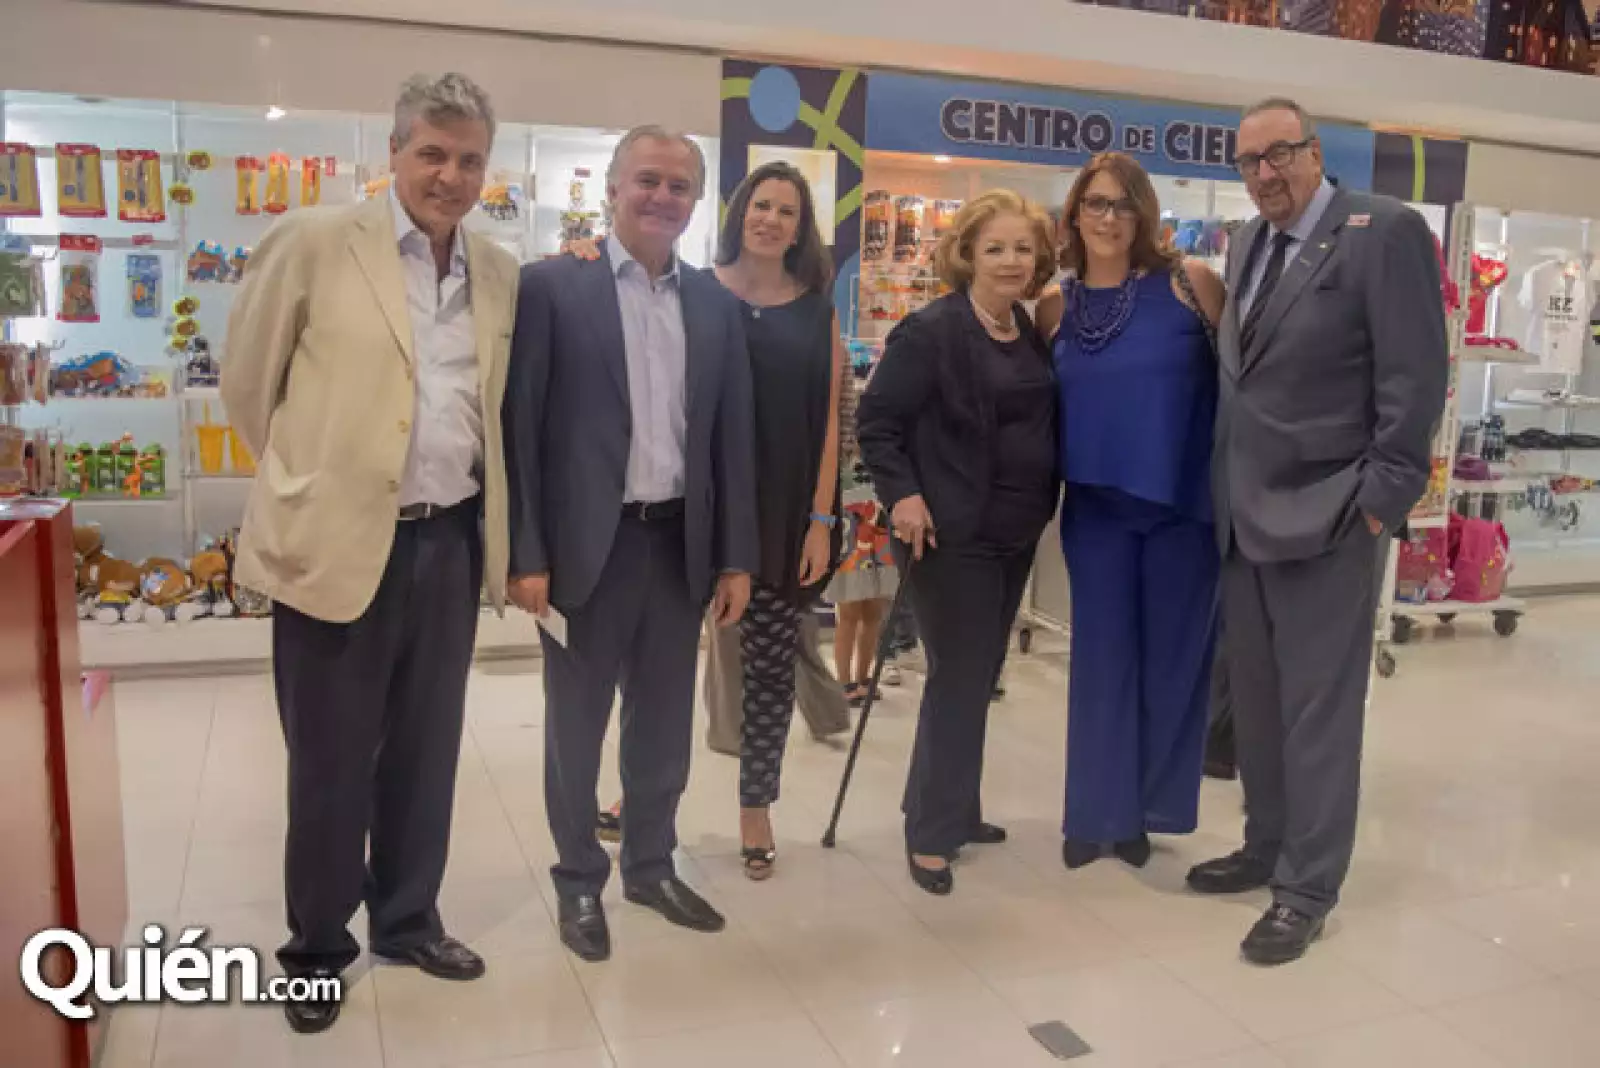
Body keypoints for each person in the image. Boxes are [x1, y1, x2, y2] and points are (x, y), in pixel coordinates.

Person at [222, 73, 516, 1034]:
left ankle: (407, 918)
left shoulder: (497, 269)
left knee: (426, 755)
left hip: (448, 543)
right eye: (432, 151)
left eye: (469, 158)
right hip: (338, 548)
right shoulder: (315, 241)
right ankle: (315, 948)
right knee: (330, 763)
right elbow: (248, 386)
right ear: (393, 151)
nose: (450, 174)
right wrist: (314, 484)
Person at [1187, 98, 1448, 965]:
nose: (1264, 174)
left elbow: (1415, 384)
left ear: (1314, 152)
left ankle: (1306, 888)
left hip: (1332, 517)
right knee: (1257, 709)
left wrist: (1378, 503)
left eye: (1280, 155)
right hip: (1245, 520)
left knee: (1319, 714)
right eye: (1248, 162)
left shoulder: (1386, 232)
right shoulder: (1248, 244)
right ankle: (1266, 847)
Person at [502, 125, 757, 964]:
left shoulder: (716, 304)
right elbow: (523, 428)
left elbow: (730, 439)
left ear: (695, 201)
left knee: (663, 726)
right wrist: (526, 552)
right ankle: (580, 878)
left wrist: (736, 556)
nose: (662, 197)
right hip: (587, 548)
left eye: (680, 185)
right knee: (576, 725)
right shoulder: (551, 288)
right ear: (612, 189)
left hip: (676, 544)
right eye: (647, 180)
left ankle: (650, 863)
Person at [858, 190, 1061, 896]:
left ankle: (952, 806)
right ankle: (931, 833)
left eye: (1024, 249)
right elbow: (877, 423)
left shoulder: (1025, 330)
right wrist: (904, 495)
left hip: (1013, 533)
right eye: (996, 247)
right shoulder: (932, 332)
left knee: (979, 676)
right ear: (967, 253)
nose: (1011, 260)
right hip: (952, 535)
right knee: (959, 678)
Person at [1035, 153, 1225, 871]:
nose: (1108, 217)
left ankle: (1147, 810)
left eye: (1122, 204)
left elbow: (1247, 387)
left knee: (1172, 664)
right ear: (1074, 214)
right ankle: (1093, 814)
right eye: (1095, 203)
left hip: (1184, 507)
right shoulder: (1056, 305)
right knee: (1100, 662)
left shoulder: (1192, 286)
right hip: (1096, 510)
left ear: (1144, 214)